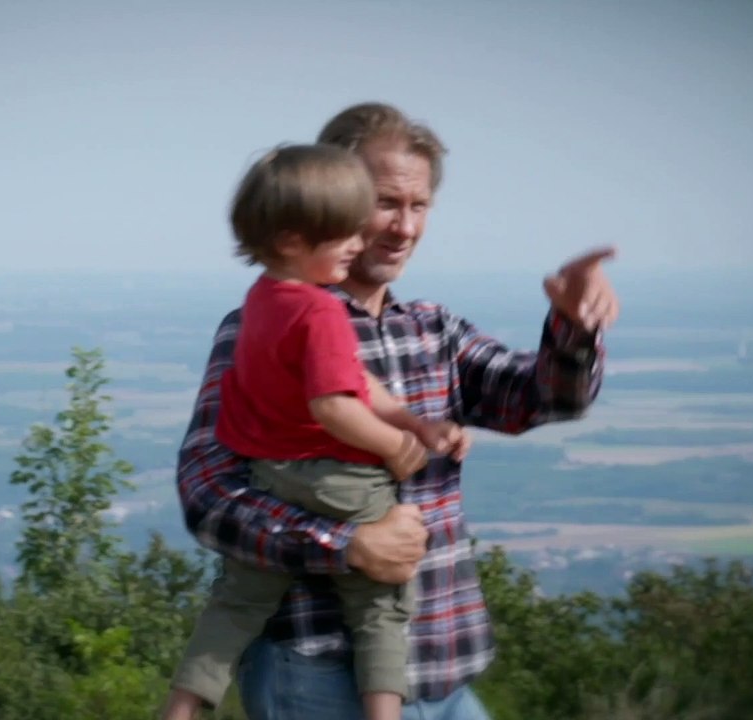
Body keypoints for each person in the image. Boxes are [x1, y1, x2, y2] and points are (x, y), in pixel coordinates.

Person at [175, 103, 618, 720]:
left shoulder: (434, 330)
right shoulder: (265, 325)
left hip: (441, 672)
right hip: (317, 673)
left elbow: (546, 398)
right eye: (385, 203)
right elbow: (208, 494)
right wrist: (346, 544)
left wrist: (572, 326)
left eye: (418, 207)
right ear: (333, 198)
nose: (402, 227)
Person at [164, 144, 471, 720]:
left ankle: (182, 708)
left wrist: (411, 418)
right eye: (344, 234)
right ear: (290, 239)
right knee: (382, 606)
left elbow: (355, 382)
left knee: (235, 606)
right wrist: (397, 445)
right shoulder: (323, 311)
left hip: (269, 477)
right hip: (338, 481)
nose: (358, 245)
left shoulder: (261, 300)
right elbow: (336, 404)